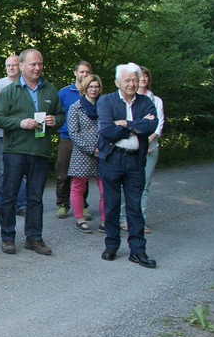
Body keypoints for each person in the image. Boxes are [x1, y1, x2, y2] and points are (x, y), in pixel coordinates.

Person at [0, 48, 64, 255]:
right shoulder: (10, 91)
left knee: (36, 198)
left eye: (40, 64)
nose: (37, 68)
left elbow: (61, 115)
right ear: (22, 66)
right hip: (15, 151)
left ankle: (34, 238)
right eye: (33, 64)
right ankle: (7, 238)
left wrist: (55, 120)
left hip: (40, 151)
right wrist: (19, 123)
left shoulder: (49, 90)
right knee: (9, 196)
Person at [97, 63, 157, 268]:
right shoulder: (106, 101)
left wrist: (124, 123)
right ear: (117, 82)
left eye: (135, 80)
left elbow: (151, 126)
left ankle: (138, 251)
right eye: (127, 80)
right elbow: (107, 131)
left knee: (134, 207)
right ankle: (111, 245)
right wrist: (137, 125)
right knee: (111, 204)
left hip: (135, 161)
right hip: (112, 159)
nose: (132, 84)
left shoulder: (146, 101)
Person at [119, 66, 164, 233]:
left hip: (151, 147)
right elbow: (126, 124)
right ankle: (123, 218)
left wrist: (146, 142)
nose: (143, 79)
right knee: (125, 184)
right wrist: (140, 131)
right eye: (140, 76)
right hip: (130, 147)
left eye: (145, 76)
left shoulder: (156, 101)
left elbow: (157, 125)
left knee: (144, 185)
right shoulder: (127, 99)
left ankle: (139, 221)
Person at [65, 74, 105, 234]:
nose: (94, 89)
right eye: (90, 86)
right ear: (85, 88)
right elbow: (73, 133)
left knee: (106, 188)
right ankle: (80, 219)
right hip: (82, 153)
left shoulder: (104, 106)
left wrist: (102, 148)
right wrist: (91, 149)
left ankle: (105, 220)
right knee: (78, 186)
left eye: (96, 86)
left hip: (103, 152)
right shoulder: (76, 107)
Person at [56, 61, 93, 219]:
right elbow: (57, 113)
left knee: (83, 174)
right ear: (75, 73)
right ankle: (62, 205)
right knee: (62, 173)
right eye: (82, 72)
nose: (84, 75)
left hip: (85, 141)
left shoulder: (93, 93)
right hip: (67, 138)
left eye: (87, 72)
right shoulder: (64, 93)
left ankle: (82, 206)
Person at [0, 55, 27, 218]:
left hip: (23, 135)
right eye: (8, 65)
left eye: (14, 65)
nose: (11, 68)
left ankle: (21, 204)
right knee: (2, 170)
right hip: (2, 134)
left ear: (20, 66)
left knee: (22, 170)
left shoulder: (26, 84)